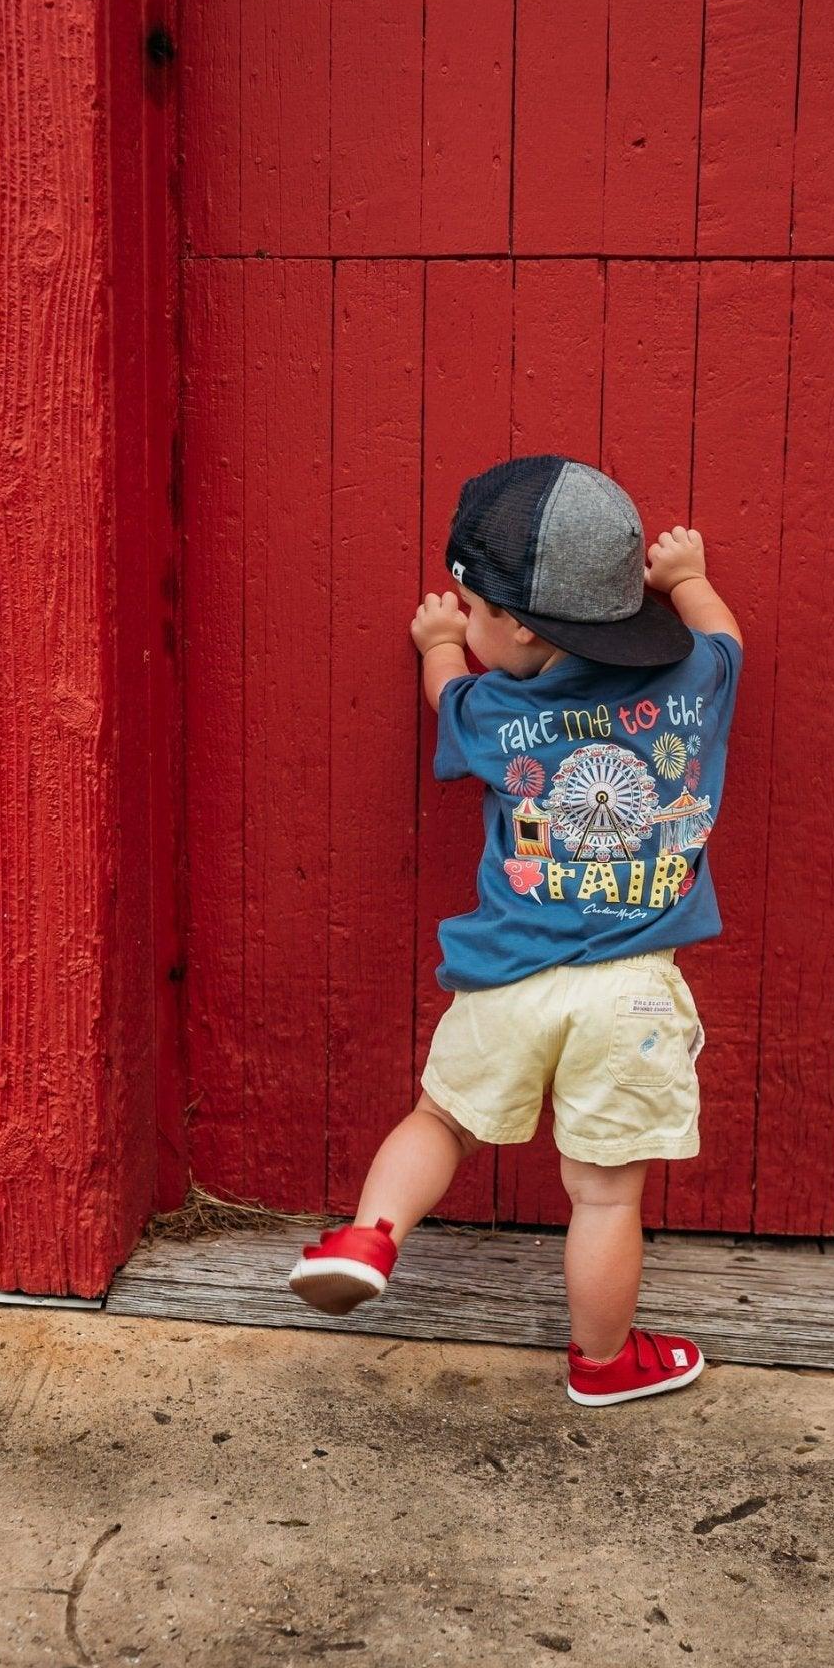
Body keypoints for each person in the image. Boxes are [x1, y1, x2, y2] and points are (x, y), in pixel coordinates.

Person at [289, 455, 742, 1406]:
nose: (466, 618)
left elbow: (447, 696)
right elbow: (724, 637)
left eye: (474, 605)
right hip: (631, 994)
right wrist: (688, 577)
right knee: (607, 1194)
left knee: (442, 1120)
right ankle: (604, 1363)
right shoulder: (700, 681)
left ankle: (368, 1235)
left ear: (520, 627)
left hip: (507, 980)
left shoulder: (496, 710)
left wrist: (435, 644)